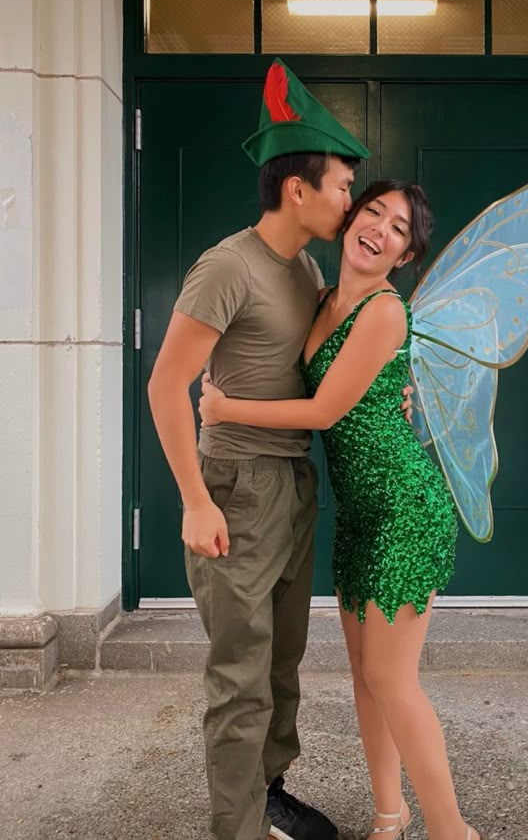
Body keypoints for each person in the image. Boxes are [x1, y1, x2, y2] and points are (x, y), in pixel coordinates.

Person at [148, 59, 410, 840]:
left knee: (280, 664)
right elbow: (168, 388)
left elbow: (336, 361)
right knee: (240, 674)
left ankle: (268, 794)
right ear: (297, 187)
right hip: (236, 485)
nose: (351, 202)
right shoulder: (227, 267)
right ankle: (236, 824)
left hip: (295, 482)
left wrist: (386, 390)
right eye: (341, 186)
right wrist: (196, 500)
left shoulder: (306, 267)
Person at [199, 180, 480, 840]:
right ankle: (391, 814)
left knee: (392, 676)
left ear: (406, 255)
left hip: (406, 507)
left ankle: (452, 830)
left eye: (400, 229)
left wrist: (224, 408)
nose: (380, 227)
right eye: (373, 210)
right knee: (365, 676)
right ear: (352, 218)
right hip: (359, 511)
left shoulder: (385, 311)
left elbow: (324, 411)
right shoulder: (321, 296)